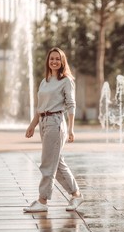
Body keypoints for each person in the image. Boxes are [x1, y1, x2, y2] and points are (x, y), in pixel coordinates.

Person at [23, 47, 83, 212]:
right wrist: (32, 125)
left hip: (56, 122)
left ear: (62, 61)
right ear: (48, 61)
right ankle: (76, 194)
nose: (54, 61)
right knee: (57, 163)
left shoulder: (67, 80)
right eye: (52, 59)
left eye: (58, 59)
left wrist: (71, 129)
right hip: (44, 122)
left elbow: (71, 105)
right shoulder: (45, 81)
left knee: (48, 163)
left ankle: (42, 201)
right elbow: (40, 107)